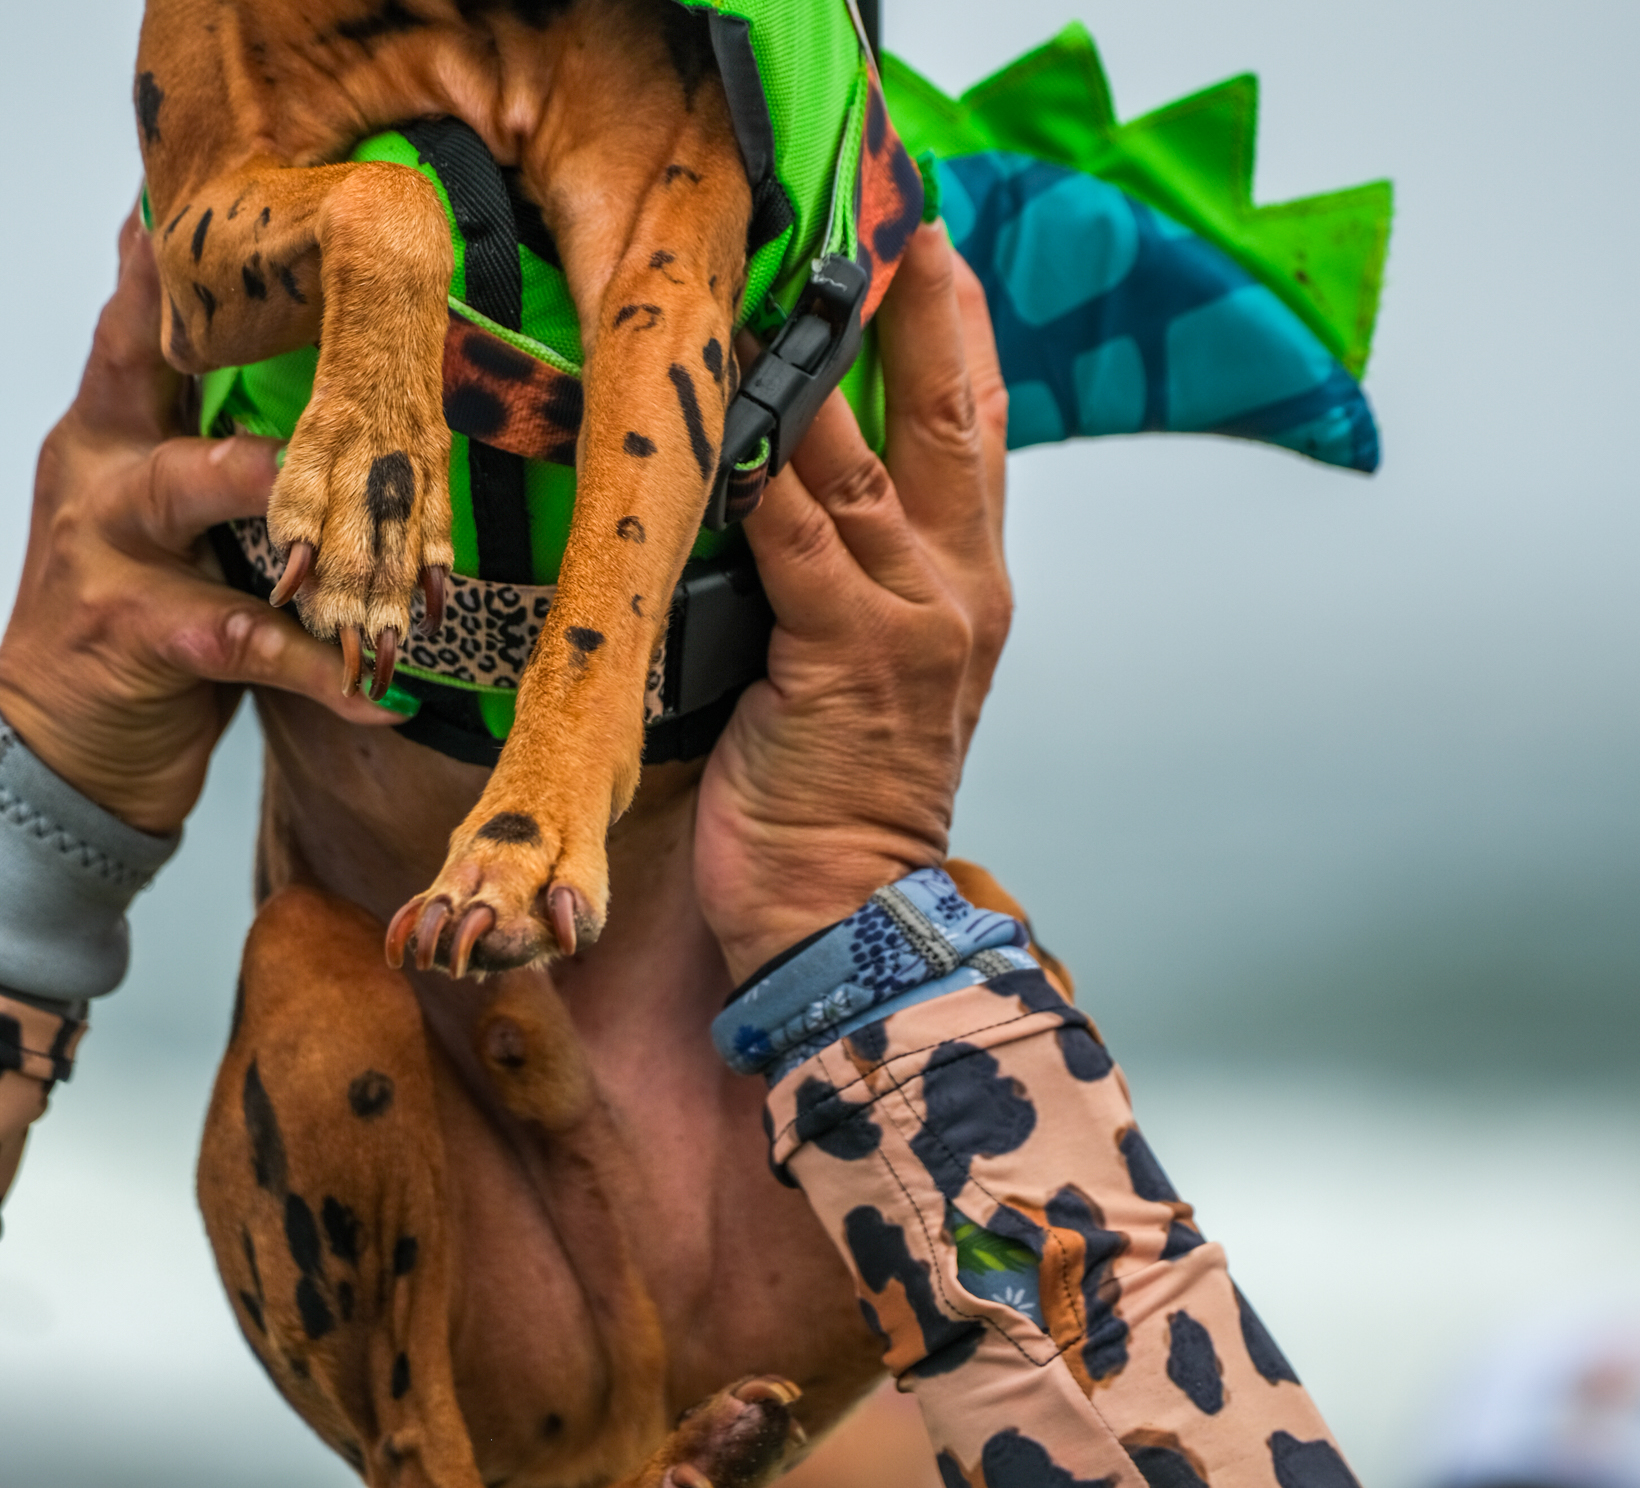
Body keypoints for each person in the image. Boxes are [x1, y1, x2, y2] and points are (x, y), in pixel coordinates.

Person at [0, 209, 1358, 1488]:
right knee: (964, 923)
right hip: (678, 1230)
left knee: (317, 968)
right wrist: (866, 946)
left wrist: (35, 860)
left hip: (567, 1280)